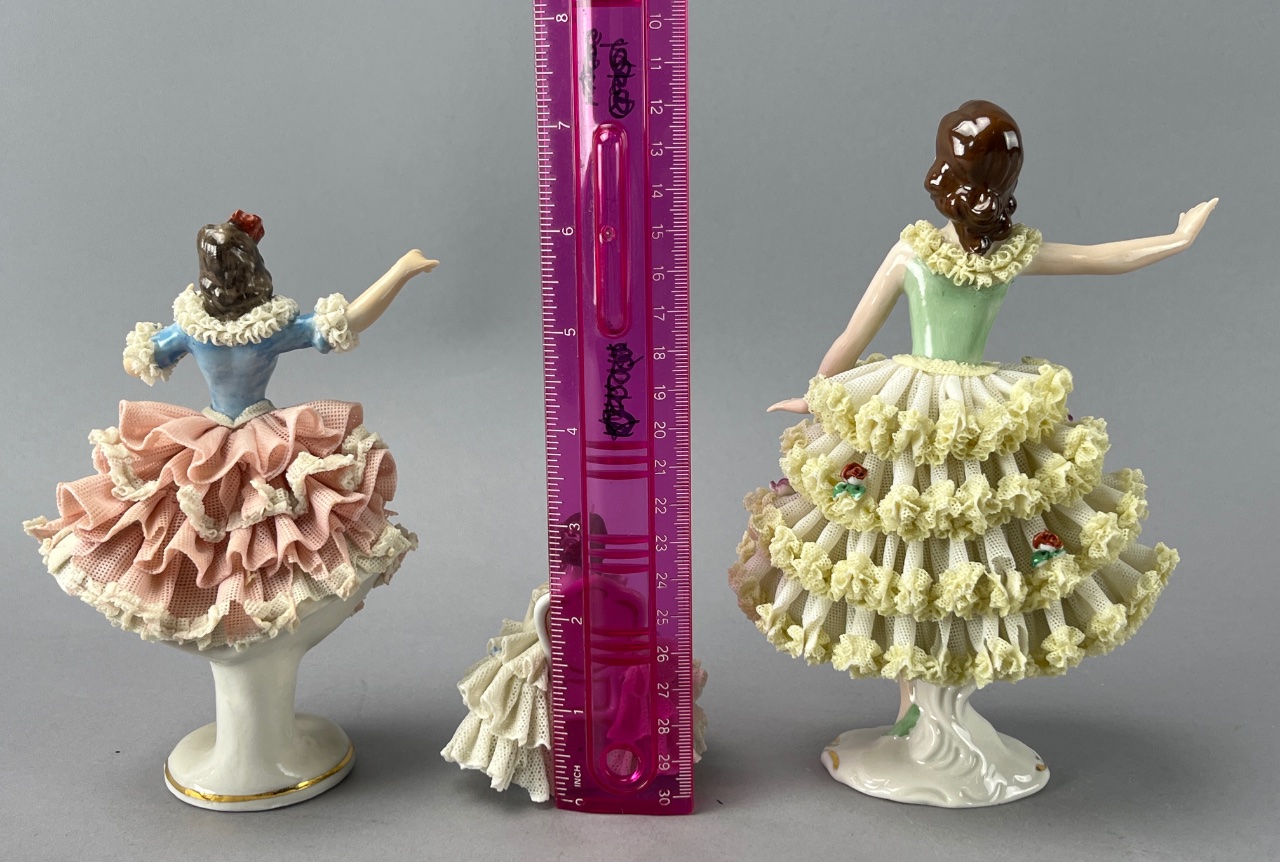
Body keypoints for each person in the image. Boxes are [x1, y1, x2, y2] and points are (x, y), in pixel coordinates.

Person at [729, 101, 1216, 806]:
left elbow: (851, 338)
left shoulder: (922, 251)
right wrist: (1175, 238)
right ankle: (918, 718)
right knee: (921, 556)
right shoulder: (989, 253)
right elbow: (1101, 259)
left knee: (929, 555)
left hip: (936, 411)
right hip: (939, 412)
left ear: (941, 175)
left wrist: (818, 390)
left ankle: (933, 718)